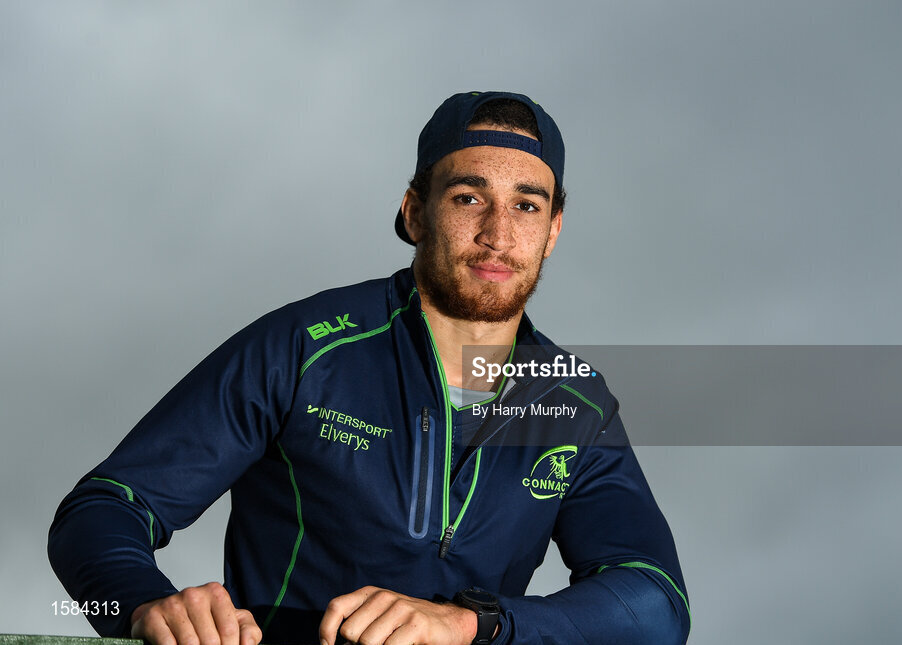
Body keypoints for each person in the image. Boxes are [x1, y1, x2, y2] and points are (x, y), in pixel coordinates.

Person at [48, 91, 691, 645]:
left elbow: (656, 602)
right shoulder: (306, 348)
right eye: (469, 197)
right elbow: (103, 509)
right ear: (414, 212)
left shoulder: (573, 404)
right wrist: (139, 604)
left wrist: (473, 626)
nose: (498, 233)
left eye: (527, 205)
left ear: (553, 230)